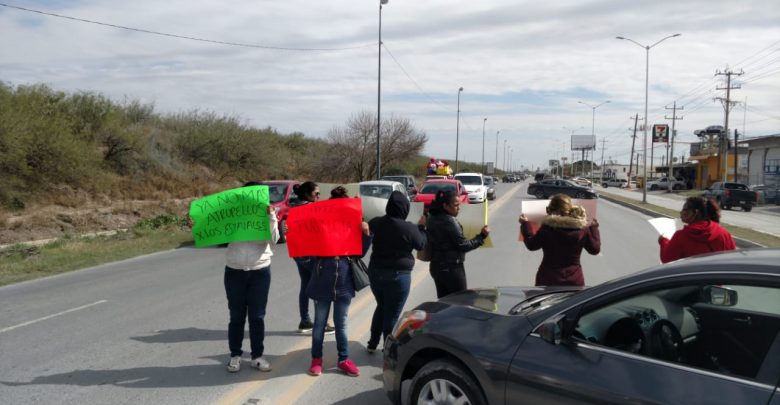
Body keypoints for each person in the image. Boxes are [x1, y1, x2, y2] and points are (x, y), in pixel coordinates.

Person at [306, 189, 372, 377]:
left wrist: (366, 234)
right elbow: (306, 249)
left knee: (341, 324)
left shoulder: (353, 225)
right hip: (322, 283)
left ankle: (343, 359)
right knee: (319, 324)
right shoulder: (320, 224)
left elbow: (360, 253)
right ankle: (316, 359)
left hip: (344, 283)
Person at [224, 181, 280, 373]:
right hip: (234, 271)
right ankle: (235, 355)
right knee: (236, 316)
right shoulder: (231, 214)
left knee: (257, 317)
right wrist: (198, 222)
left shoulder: (267, 213)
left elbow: (274, 240)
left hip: (260, 271)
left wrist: (271, 216)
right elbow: (216, 233)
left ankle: (257, 356)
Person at [366, 190, 427, 353]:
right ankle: (389, 350)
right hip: (397, 277)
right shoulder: (409, 228)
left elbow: (366, 229)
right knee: (392, 314)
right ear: (405, 209)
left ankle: (373, 342)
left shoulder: (376, 222)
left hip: (375, 274)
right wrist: (422, 227)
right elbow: (421, 244)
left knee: (382, 306)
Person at [518, 193, 600, 286]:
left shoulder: (547, 228)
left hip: (548, 279)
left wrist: (525, 224)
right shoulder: (582, 229)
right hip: (574, 280)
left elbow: (531, 245)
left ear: (553, 211)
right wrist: (594, 227)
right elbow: (595, 249)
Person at [288, 181, 334, 335]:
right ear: (307, 194)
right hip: (311, 254)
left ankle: (305, 320)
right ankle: (322, 323)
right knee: (318, 287)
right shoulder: (309, 208)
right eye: (316, 194)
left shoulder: (294, 206)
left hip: (298, 254)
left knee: (305, 286)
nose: (319, 196)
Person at [426, 189, 490, 298]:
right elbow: (463, 245)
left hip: (436, 267)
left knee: (444, 304)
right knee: (461, 302)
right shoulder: (450, 221)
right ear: (445, 206)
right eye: (456, 205)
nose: (459, 208)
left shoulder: (432, 217)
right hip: (452, 269)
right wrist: (481, 236)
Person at [658, 196, 735, 263]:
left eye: (685, 209)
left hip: (692, 279)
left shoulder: (681, 236)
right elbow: (733, 259)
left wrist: (663, 241)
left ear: (695, 212)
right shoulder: (724, 234)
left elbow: (667, 260)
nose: (681, 212)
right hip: (719, 278)